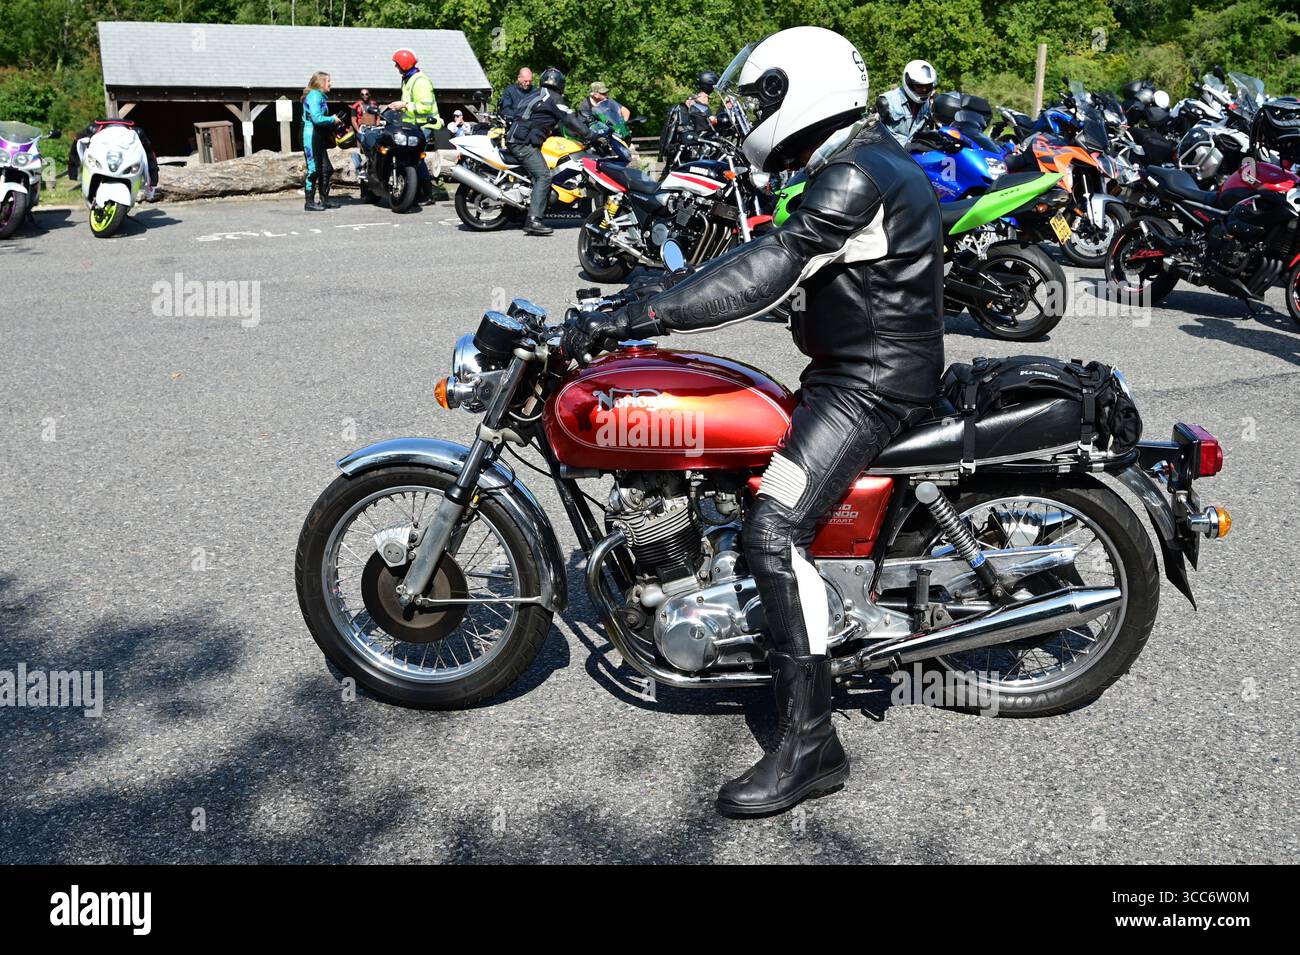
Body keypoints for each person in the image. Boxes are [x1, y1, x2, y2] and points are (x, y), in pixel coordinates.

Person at [563, 27, 944, 817]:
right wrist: (645, 293)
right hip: (855, 369)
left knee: (772, 530)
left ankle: (811, 747)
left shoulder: (853, 177)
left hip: (869, 387)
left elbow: (766, 272)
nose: (751, 114)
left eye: (763, 96)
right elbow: (757, 257)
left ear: (800, 91)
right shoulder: (857, 160)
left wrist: (648, 311)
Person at [504, 66, 600, 236]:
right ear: (560, 84)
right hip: (523, 143)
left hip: (519, 139)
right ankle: (533, 220)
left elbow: (548, 120)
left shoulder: (537, 94)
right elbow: (570, 119)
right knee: (543, 176)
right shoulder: (554, 98)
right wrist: (591, 135)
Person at [387, 49, 443, 203]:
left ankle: (425, 193)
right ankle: (416, 192)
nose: (396, 67)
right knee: (412, 158)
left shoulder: (420, 81)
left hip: (425, 124)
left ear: (404, 64)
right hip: (414, 125)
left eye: (397, 64)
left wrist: (403, 104)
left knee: (415, 158)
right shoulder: (409, 79)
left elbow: (424, 107)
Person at [67, 118, 159, 197]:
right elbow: (150, 153)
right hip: (102, 162)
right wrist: (73, 172)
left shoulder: (136, 133)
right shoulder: (95, 129)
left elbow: (149, 153)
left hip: (124, 164)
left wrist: (153, 181)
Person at [301, 71, 339, 211]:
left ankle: (324, 199)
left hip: (318, 135)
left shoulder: (320, 96)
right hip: (310, 134)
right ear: (321, 82)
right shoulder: (314, 95)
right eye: (329, 81)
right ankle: (309, 202)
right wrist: (332, 119)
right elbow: (317, 118)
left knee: (327, 169)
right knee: (314, 169)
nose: (331, 83)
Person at [876, 59, 937, 145]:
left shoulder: (926, 104)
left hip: (911, 155)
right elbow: (873, 132)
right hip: (889, 154)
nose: (924, 89)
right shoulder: (887, 102)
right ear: (909, 83)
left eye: (927, 86)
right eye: (919, 86)